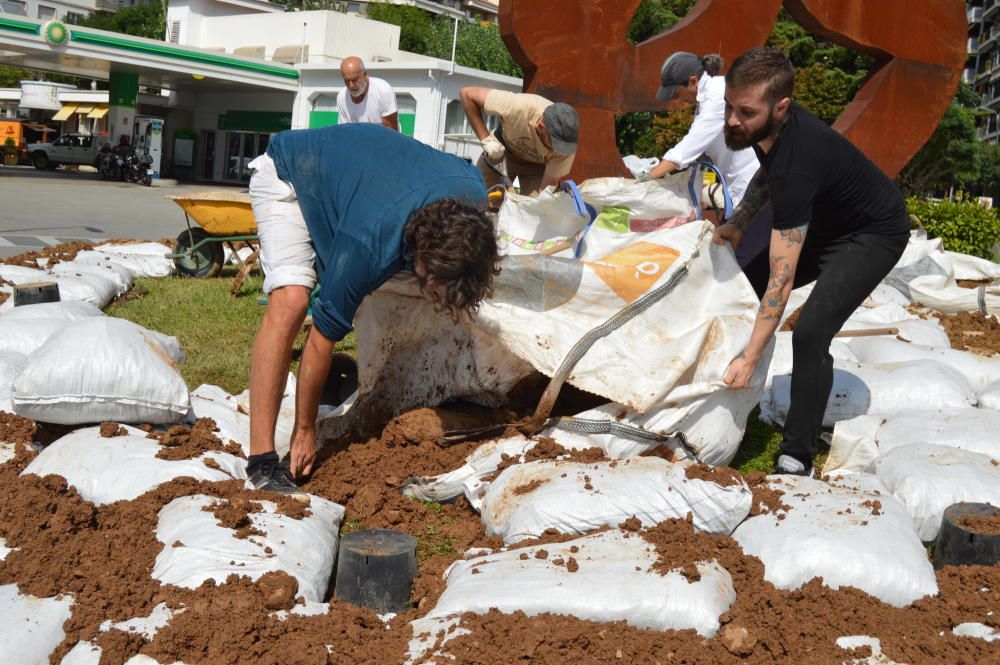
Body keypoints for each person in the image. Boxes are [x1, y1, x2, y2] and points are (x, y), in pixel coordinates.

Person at [246, 124, 499, 498]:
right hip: (292, 175)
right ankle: (261, 461)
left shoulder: (473, 196)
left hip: (367, 182)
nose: (433, 290)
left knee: (428, 294)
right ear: (420, 249)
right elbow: (319, 342)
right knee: (291, 302)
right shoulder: (368, 245)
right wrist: (305, 429)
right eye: (431, 279)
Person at [714, 48, 910, 477]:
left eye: (745, 112)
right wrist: (739, 221)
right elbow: (765, 174)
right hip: (831, 220)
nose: (732, 120)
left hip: (874, 233)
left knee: (809, 333)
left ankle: (797, 454)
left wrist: (751, 354)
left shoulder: (799, 161)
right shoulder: (769, 129)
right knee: (741, 285)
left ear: (780, 107)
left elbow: (780, 284)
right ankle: (724, 399)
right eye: (729, 106)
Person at [642, 51, 770, 266]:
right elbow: (699, 151)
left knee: (742, 264)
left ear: (693, 81)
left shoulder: (719, 95)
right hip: (740, 188)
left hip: (756, 187)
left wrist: (647, 179)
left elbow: (688, 148)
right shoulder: (707, 98)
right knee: (732, 258)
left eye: (677, 93)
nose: (678, 100)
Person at [459, 86, 579, 195]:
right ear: (541, 126)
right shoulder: (516, 107)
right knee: (480, 196)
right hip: (501, 154)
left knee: (535, 211)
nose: (558, 149)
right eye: (555, 143)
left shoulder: (566, 145)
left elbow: (548, 185)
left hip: (537, 167)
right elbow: (467, 94)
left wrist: (541, 204)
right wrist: (486, 139)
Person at [337, 57, 399, 131]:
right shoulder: (341, 97)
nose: (351, 86)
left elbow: (391, 130)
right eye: (347, 81)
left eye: (355, 79)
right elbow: (345, 130)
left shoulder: (383, 90)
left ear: (365, 75)